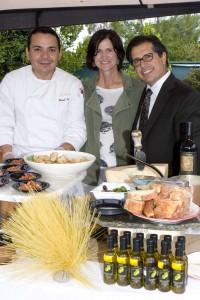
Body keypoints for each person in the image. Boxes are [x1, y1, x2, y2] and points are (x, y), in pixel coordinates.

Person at [0, 26, 86, 160]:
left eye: (51, 50)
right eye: (37, 49)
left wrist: (58, 155)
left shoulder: (72, 84)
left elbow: (76, 128)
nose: (45, 56)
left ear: (59, 53)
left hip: (60, 158)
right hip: (19, 158)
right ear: (28, 53)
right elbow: (3, 123)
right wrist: (8, 155)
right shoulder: (11, 81)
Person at [126, 35, 200, 177]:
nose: (142, 65)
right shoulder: (144, 94)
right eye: (136, 61)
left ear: (163, 56)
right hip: (141, 184)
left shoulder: (187, 97)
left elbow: (191, 158)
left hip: (168, 187)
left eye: (148, 56)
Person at [81, 29, 145, 189]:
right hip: (89, 174)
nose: (104, 56)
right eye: (98, 52)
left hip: (126, 174)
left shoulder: (138, 89)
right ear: (92, 57)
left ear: (118, 54)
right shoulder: (82, 89)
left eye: (109, 50)